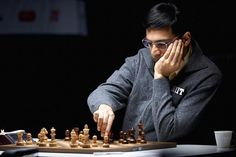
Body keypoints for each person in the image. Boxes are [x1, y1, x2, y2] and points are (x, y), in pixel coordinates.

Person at [87, 2, 222, 144]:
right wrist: (103, 105)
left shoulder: (207, 76)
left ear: (186, 39)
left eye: (161, 44)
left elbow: (168, 133)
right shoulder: (141, 59)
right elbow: (104, 91)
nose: (153, 52)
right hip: (130, 151)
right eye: (149, 43)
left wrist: (160, 76)